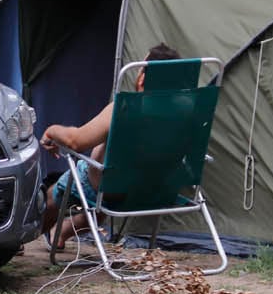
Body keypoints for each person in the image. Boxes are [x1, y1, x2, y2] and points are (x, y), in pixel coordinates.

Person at [39, 43, 181, 249]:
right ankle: (63, 231)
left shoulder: (124, 109)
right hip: (151, 191)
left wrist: (51, 130)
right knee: (100, 205)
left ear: (142, 78)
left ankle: (19, 238)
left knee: (58, 193)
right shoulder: (184, 112)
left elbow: (75, 141)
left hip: (106, 187)